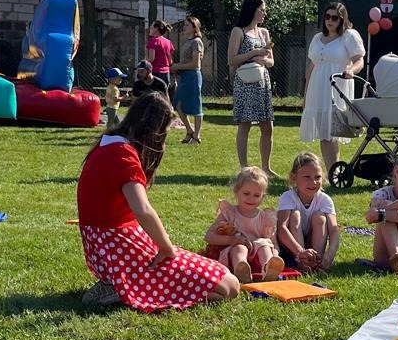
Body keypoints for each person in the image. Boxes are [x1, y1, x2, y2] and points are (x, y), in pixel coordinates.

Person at [76, 91, 237, 311]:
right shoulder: (122, 155)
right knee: (228, 288)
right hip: (120, 248)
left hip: (110, 248)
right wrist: (166, 248)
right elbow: (142, 210)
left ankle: (120, 284)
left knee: (225, 278)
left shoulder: (108, 144)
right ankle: (123, 288)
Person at [299, 0, 365, 172]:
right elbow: (311, 67)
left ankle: (334, 170)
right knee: (324, 131)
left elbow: (359, 60)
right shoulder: (317, 38)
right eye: (327, 17)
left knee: (333, 129)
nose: (330, 21)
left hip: (337, 86)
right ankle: (332, 171)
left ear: (342, 19)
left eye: (335, 18)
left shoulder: (349, 36)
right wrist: (306, 96)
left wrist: (351, 69)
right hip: (317, 87)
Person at [205, 165, 284, 283]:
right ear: (237, 192)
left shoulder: (265, 217)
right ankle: (241, 270)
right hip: (234, 254)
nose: (251, 199)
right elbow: (209, 236)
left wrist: (274, 255)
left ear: (262, 197)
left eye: (256, 195)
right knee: (239, 248)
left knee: (264, 244)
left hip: (258, 257)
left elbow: (273, 242)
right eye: (246, 193)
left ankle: (269, 269)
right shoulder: (229, 213)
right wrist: (230, 240)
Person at [229, 0, 275, 172]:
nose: (264, 13)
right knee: (245, 124)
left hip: (263, 82)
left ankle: (266, 167)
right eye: (262, 9)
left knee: (267, 125)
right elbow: (232, 59)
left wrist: (264, 61)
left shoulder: (264, 33)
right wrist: (253, 53)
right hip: (245, 82)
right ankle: (244, 166)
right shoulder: (238, 31)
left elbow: (271, 61)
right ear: (252, 10)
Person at [277, 151, 340, 271]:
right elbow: (282, 229)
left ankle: (317, 260)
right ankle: (302, 261)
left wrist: (330, 255)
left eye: (318, 177)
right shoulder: (288, 197)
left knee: (320, 218)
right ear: (293, 177)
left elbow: (333, 230)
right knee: (295, 215)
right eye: (307, 177)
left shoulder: (324, 199)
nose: (313, 182)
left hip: (312, 243)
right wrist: (301, 252)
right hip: (291, 249)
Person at [172, 16, 205, 144]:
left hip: (193, 76)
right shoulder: (186, 42)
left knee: (196, 106)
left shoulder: (197, 42)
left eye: (187, 25)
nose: (184, 27)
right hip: (184, 76)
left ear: (194, 27)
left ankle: (197, 136)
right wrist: (176, 67)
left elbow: (195, 64)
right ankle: (189, 130)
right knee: (178, 104)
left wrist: (178, 66)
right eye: (184, 25)